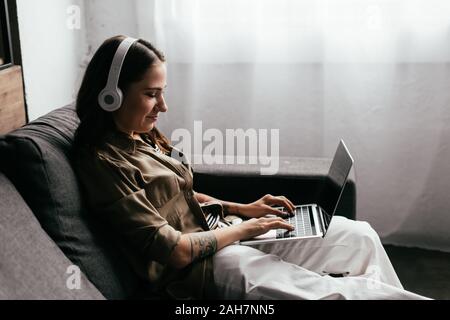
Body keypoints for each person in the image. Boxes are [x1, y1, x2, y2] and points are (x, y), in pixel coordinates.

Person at [73, 35, 429, 300]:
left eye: (162, 92)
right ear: (111, 95)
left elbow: (178, 194)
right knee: (332, 294)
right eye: (152, 94)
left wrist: (242, 210)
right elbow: (176, 250)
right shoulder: (103, 163)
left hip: (223, 233)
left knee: (359, 236)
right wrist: (247, 229)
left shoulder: (141, 134)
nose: (163, 106)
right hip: (200, 270)